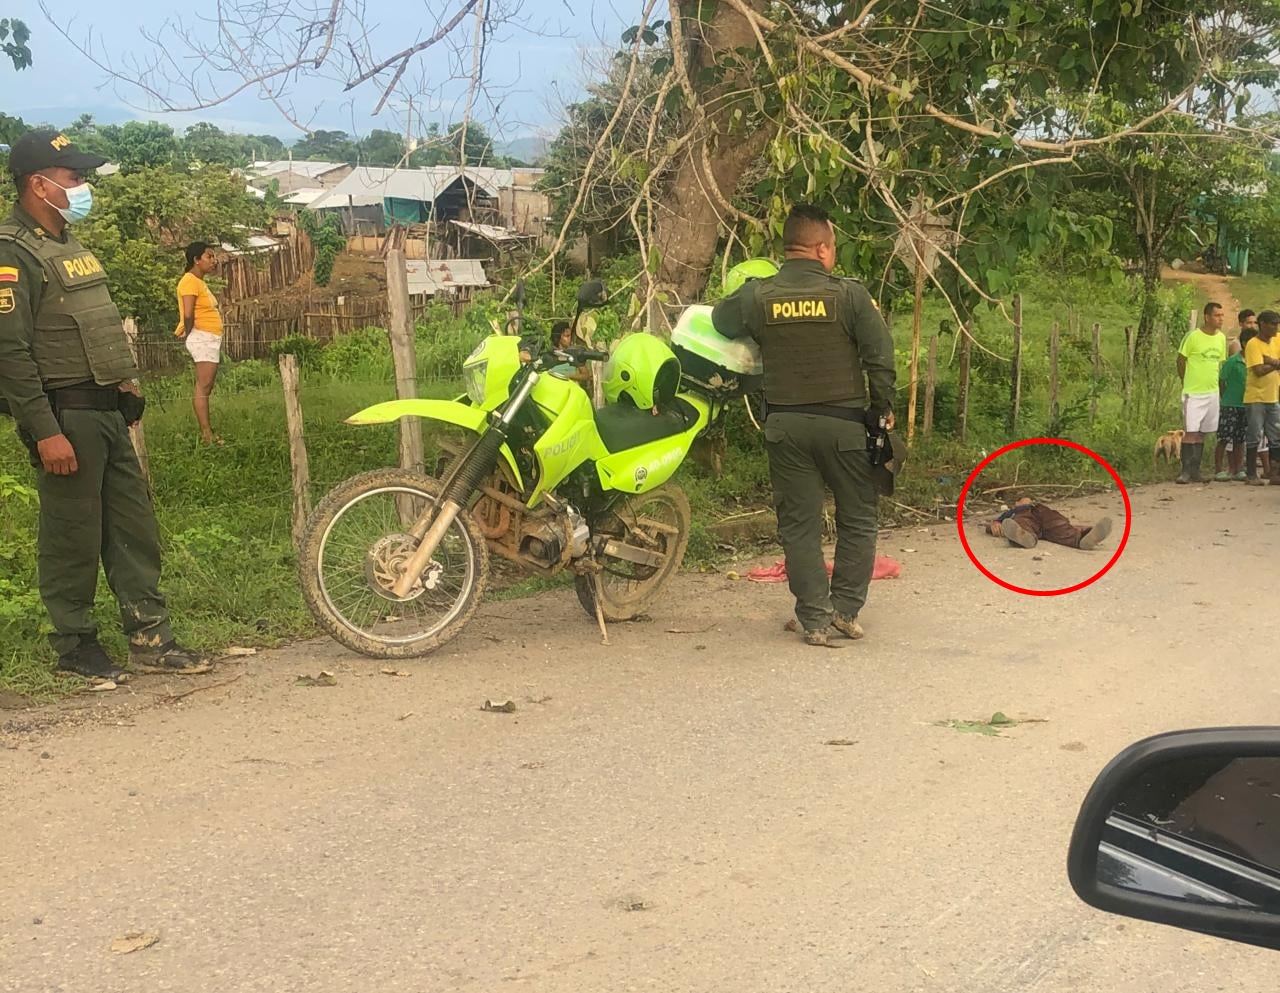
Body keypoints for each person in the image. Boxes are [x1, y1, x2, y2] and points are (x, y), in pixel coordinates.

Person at [0, 128, 212, 681]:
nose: (83, 186)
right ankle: (75, 646)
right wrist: (44, 430)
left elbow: (93, 326)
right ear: (37, 184)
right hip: (65, 416)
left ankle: (150, 636)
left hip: (107, 412)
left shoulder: (70, 245)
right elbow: (10, 351)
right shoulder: (10, 253)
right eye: (74, 178)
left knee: (132, 527)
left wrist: (125, 385)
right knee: (72, 532)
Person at [711, 203, 896, 647]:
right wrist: (882, 408)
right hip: (846, 427)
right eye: (832, 246)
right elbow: (880, 357)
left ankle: (814, 618)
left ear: (786, 249)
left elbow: (720, 320)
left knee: (799, 525)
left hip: (787, 427)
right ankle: (846, 612)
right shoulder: (849, 295)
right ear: (821, 249)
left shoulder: (759, 295)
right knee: (858, 518)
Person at [175, 240, 225, 445]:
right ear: (196, 260)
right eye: (209, 256)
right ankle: (207, 434)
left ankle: (207, 432)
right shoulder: (189, 281)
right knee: (203, 387)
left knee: (207, 386)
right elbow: (188, 313)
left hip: (209, 337)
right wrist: (188, 333)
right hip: (201, 336)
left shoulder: (199, 281)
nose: (214, 261)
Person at [1175, 301, 1227, 483]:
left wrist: (1220, 389)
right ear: (1207, 317)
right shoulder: (1193, 337)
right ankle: (1185, 471)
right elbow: (1181, 360)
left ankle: (1196, 469)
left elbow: (1219, 365)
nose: (1220, 319)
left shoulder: (1221, 338)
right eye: (1217, 315)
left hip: (1211, 391)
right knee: (1191, 430)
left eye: (1222, 315)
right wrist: (1185, 380)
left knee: (1203, 432)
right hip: (1194, 391)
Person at [985, 498, 1112, 550]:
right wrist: (995, 524)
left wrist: (1079, 528)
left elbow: (1060, 523)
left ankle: (1082, 539)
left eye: (1028, 499)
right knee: (1023, 524)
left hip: (1047, 519)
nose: (1026, 500)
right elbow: (997, 523)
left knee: (1061, 528)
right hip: (1027, 520)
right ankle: (1025, 538)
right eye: (1023, 500)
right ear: (1017, 504)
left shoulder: (1041, 508)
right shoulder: (1014, 512)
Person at [1242, 310, 1280, 485]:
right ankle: (1251, 474)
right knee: (1254, 434)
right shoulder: (1253, 344)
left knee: (1275, 435)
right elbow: (1258, 371)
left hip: (1272, 395)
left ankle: (1274, 472)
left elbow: (1266, 366)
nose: (1276, 327)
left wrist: (1270, 361)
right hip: (1256, 397)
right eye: (1272, 324)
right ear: (1262, 324)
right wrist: (1276, 363)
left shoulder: (1277, 340)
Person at [1214, 337, 1248, 481]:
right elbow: (1222, 379)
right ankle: (1219, 469)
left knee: (1240, 439)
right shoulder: (1233, 361)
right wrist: (1225, 397)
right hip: (1230, 404)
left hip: (1245, 404)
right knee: (1224, 438)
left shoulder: (1253, 361)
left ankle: (1238, 468)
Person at [547, 319, 590, 384]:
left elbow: (586, 376)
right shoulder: (550, 354)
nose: (570, 338)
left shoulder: (574, 353)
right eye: (567, 336)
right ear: (558, 337)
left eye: (570, 336)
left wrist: (567, 375)